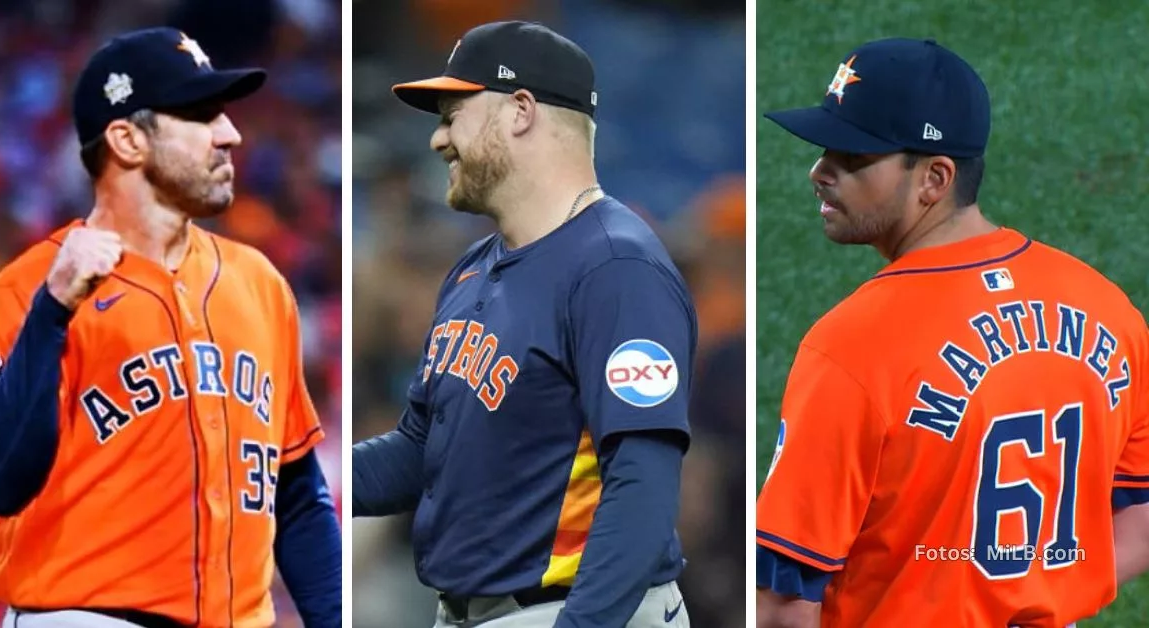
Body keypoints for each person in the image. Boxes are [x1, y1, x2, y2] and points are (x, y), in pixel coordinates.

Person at [0, 27, 341, 627]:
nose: (230, 133)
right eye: (201, 114)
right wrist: (52, 313)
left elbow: (294, 491)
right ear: (128, 140)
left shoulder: (258, 283)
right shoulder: (24, 292)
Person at [755, 37, 1149, 627]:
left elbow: (785, 601)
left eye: (854, 156)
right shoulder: (1108, 309)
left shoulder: (851, 346)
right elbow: (1140, 514)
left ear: (934, 178)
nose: (820, 172)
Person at [352, 20, 695, 628]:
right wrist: (288, 473)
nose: (437, 139)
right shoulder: (473, 267)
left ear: (519, 111)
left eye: (452, 113)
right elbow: (420, 449)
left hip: (570, 609)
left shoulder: (616, 266)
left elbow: (642, 484)